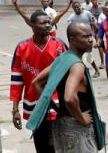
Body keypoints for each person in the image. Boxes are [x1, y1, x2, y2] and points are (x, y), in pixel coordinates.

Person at [31, 22, 102, 153]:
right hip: (76, 128)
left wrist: (55, 107)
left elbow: (36, 82)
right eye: (85, 36)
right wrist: (81, 118)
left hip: (61, 123)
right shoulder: (77, 65)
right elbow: (69, 98)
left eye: (91, 35)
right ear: (72, 40)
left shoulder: (62, 58)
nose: (91, 39)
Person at [10, 10, 68, 153]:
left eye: (49, 22)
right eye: (43, 23)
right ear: (32, 26)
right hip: (34, 106)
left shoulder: (59, 45)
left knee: (59, 146)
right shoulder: (21, 48)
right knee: (41, 146)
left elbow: (70, 76)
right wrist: (15, 109)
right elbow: (17, 80)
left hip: (57, 105)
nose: (48, 25)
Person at [66, 2, 100, 78]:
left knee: (84, 56)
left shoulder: (87, 13)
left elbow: (94, 23)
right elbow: (69, 27)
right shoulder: (72, 17)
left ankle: (82, 75)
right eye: (75, 7)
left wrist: (96, 37)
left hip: (88, 38)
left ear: (81, 6)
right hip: (79, 39)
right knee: (87, 56)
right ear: (73, 9)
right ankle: (96, 70)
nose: (77, 9)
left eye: (78, 7)